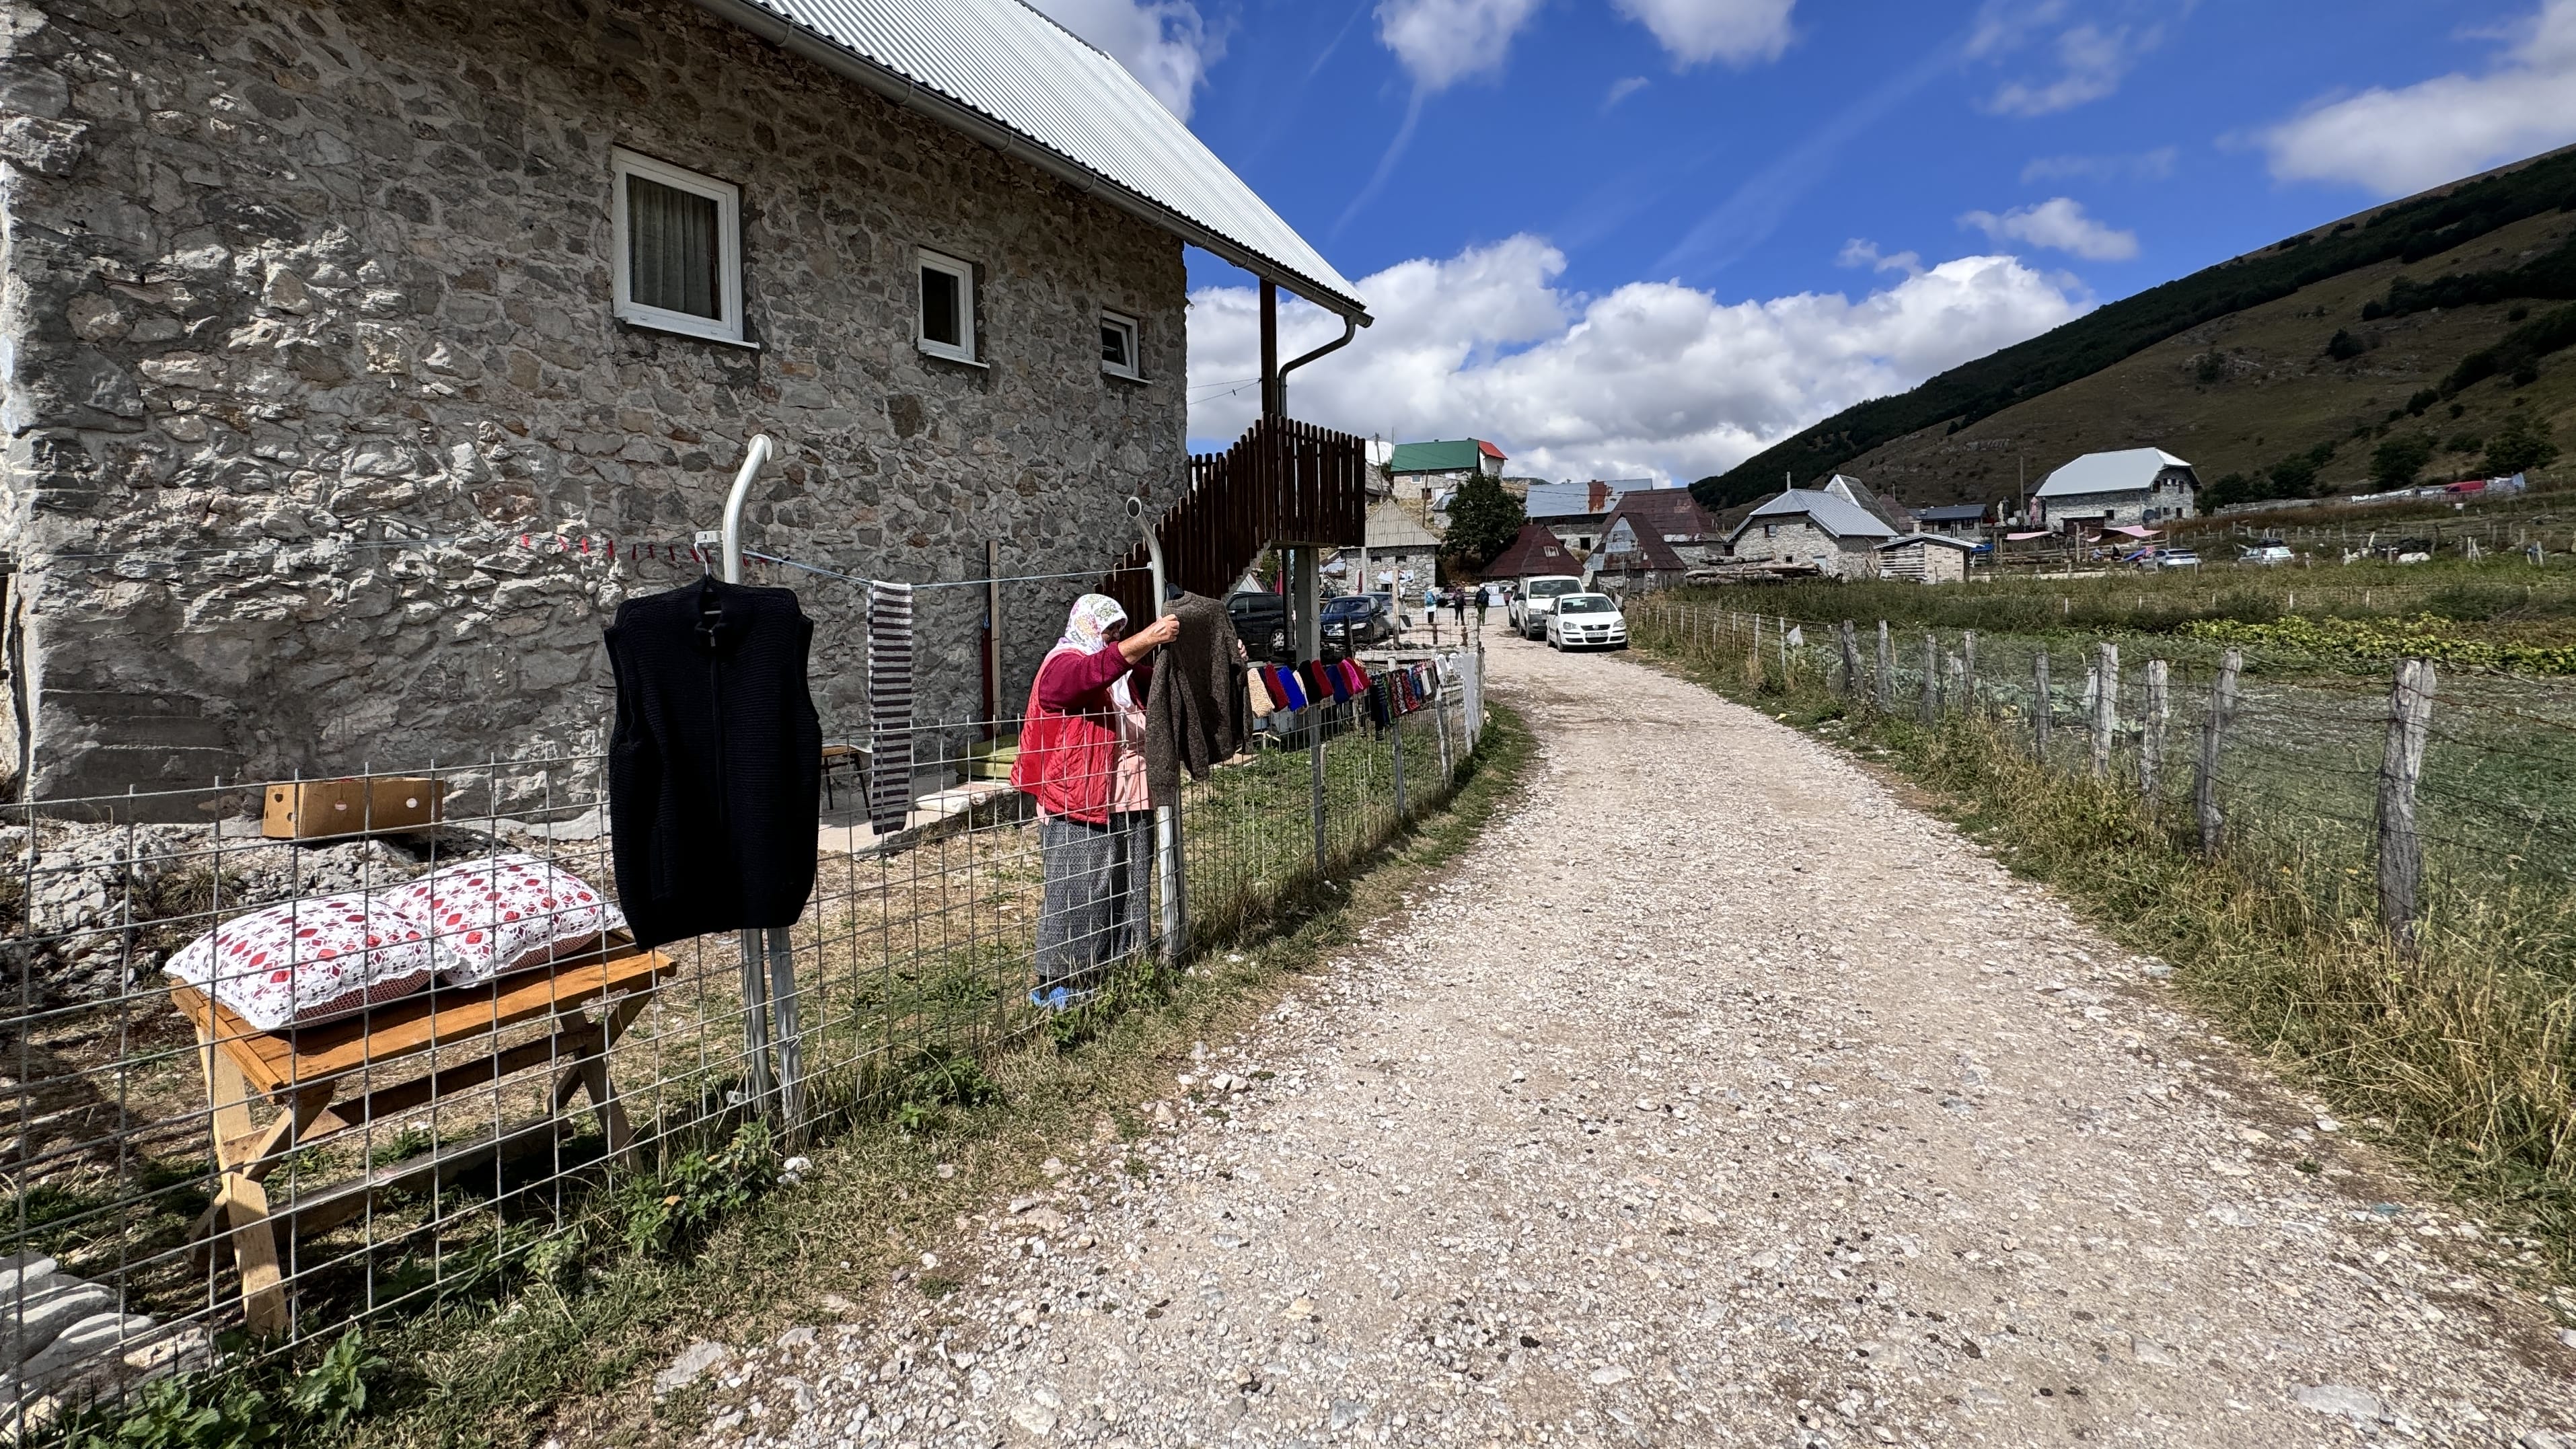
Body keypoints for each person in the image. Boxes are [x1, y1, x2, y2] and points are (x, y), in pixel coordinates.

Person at [1010, 594, 1179, 1011]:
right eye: (1109, 630)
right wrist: (1144, 639)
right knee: (1077, 888)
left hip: (1130, 795)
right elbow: (1085, 678)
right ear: (1087, 625)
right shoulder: (1063, 663)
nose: (1115, 639)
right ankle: (1059, 980)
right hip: (1079, 798)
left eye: (1120, 631)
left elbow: (1165, 682)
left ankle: (1116, 967)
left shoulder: (1122, 673)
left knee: (1126, 883)